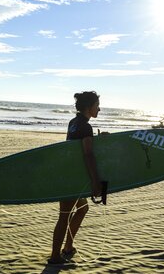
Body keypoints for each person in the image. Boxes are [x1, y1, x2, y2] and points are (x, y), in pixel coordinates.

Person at [48, 91, 103, 264]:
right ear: (89, 107)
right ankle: (55, 256)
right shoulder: (86, 126)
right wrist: (95, 181)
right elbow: (87, 154)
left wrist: (97, 140)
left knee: (82, 208)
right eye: (97, 106)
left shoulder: (74, 122)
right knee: (64, 215)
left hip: (69, 173)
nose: (99, 109)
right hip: (71, 178)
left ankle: (68, 247)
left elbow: (76, 147)